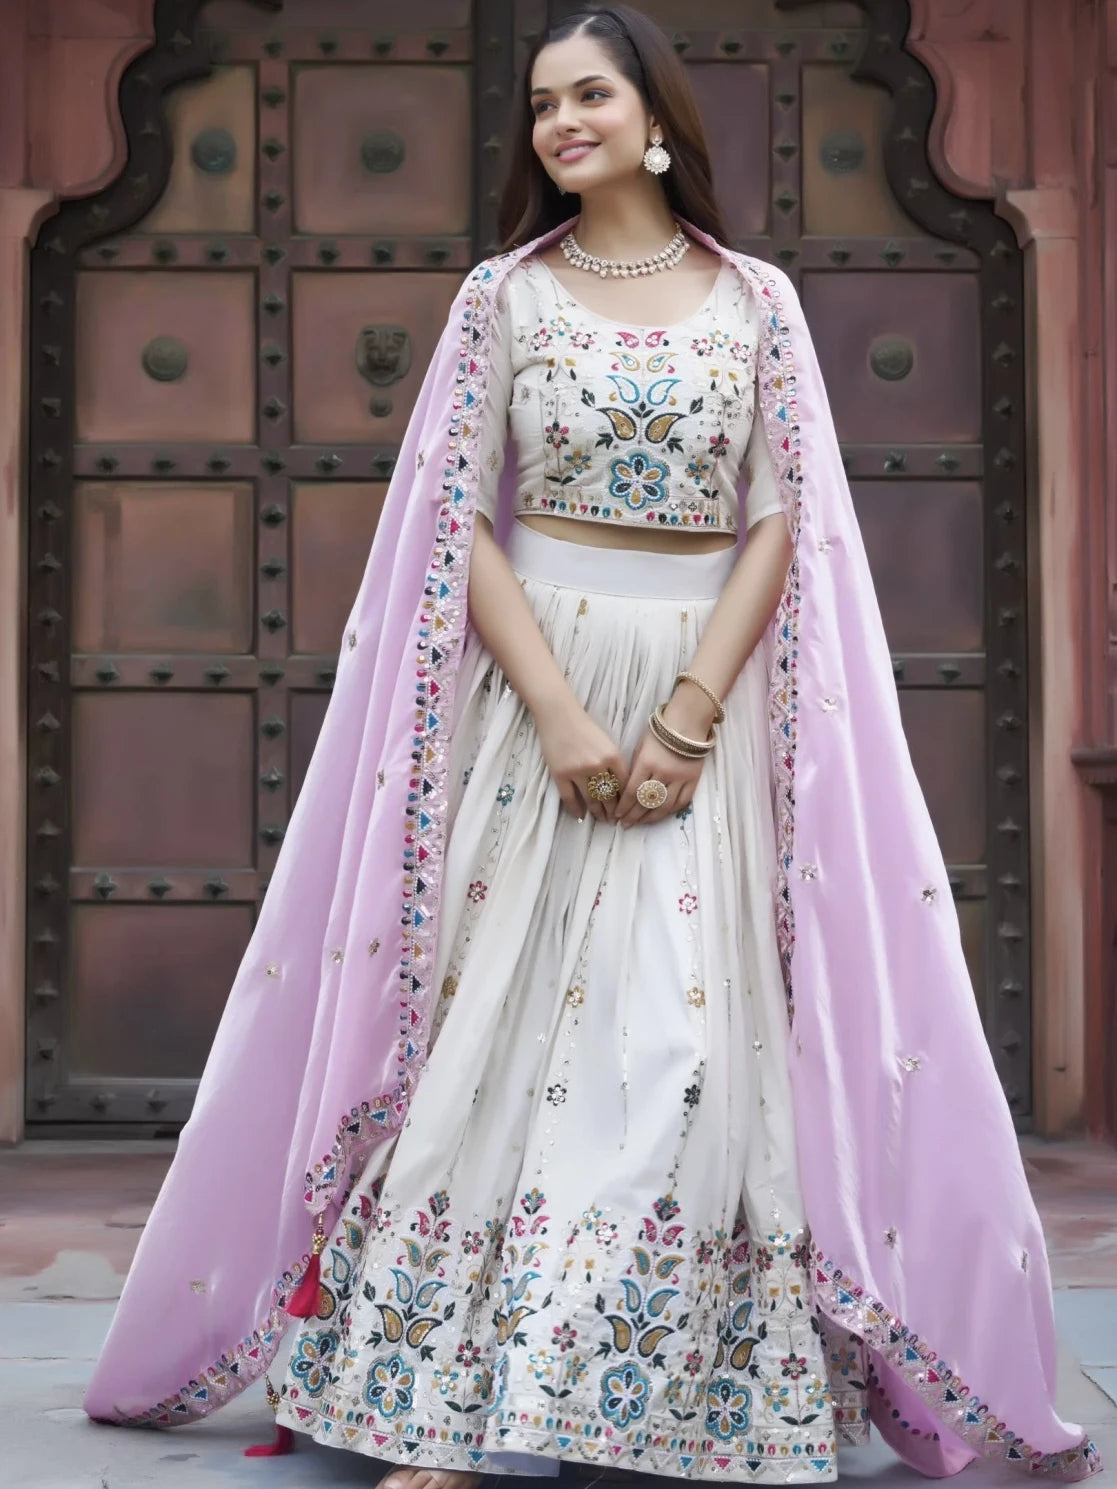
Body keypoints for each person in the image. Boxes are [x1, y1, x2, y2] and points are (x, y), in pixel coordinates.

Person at [83, 7, 1100, 1486]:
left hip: (707, 684)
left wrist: (686, 713)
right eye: (544, 104)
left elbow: (776, 522)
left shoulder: (755, 301)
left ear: (654, 117)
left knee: (687, 1040)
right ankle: (440, 1404)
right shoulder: (504, 296)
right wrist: (561, 710)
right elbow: (456, 523)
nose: (563, 122)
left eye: (590, 95)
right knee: (499, 1027)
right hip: (538, 678)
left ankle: (671, 1391)